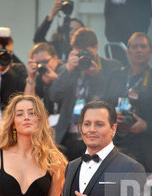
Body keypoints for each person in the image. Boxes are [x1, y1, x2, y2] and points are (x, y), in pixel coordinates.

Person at [104, 32, 152, 171]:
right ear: (128, 51)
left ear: (150, 52)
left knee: (144, 191)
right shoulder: (114, 75)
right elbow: (102, 106)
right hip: (115, 145)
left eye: (143, 47)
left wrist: (147, 126)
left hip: (146, 150)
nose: (139, 50)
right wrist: (111, 114)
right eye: (135, 47)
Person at [50, 27, 121, 160]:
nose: (84, 57)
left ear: (96, 47)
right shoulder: (67, 68)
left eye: (87, 52)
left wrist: (97, 76)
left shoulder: (111, 67)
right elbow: (54, 96)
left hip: (98, 137)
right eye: (79, 53)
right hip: (67, 137)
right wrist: (68, 70)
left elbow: (112, 101)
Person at [25, 42, 62, 117]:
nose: (42, 66)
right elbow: (28, 103)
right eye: (38, 63)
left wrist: (56, 80)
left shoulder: (64, 70)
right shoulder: (40, 77)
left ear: (55, 57)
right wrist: (31, 78)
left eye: (45, 61)